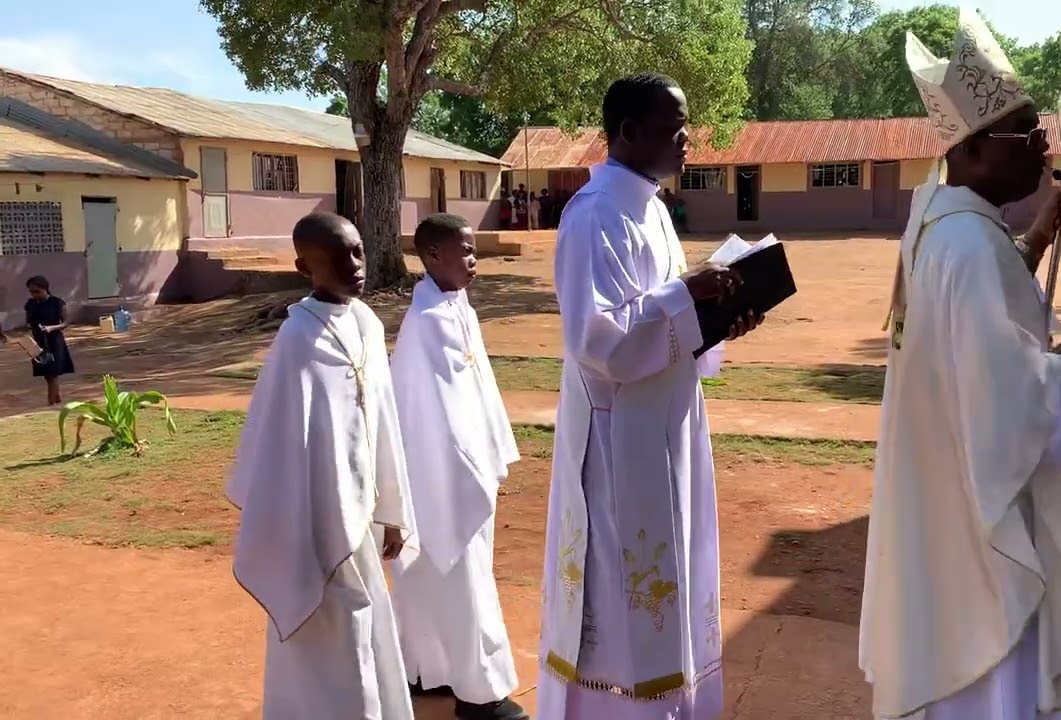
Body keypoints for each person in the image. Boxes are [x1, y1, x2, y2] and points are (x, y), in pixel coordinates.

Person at [861, 10, 1061, 720]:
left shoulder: (940, 221)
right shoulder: (968, 246)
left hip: (941, 484)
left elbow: (973, 323)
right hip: (980, 508)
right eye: (1026, 135)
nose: (1041, 149)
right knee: (989, 660)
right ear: (967, 149)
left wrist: (1034, 235)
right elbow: (1004, 398)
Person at [535, 73, 762, 720]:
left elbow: (664, 320)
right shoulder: (593, 213)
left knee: (674, 566)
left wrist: (719, 317)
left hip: (669, 420)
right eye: (674, 127)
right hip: (617, 442)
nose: (688, 139)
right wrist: (686, 295)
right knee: (620, 585)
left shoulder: (654, 207)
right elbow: (595, 338)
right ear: (630, 132)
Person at [226, 212, 419, 720]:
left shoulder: (368, 324)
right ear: (303, 267)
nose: (355, 265)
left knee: (365, 617)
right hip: (310, 518)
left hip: (360, 515)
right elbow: (279, 447)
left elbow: (384, 423)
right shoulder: (297, 341)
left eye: (358, 251)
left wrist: (393, 509)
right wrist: (303, 521)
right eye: (337, 256)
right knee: (331, 624)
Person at [388, 213, 528, 720]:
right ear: (432, 256)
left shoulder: (457, 307)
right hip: (439, 473)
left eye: (474, 251)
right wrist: (465, 472)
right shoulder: (424, 324)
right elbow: (427, 411)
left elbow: (478, 391)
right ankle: (479, 694)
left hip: (466, 468)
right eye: (464, 251)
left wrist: (493, 454)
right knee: (462, 580)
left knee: (432, 577)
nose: (474, 260)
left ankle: (421, 671)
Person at [24, 275, 75, 405]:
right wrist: (28, 327)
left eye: (37, 291)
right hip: (38, 342)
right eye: (31, 292)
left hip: (54, 341)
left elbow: (66, 322)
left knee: (52, 372)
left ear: (45, 289)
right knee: (46, 373)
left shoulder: (57, 302)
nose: (34, 294)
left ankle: (50, 403)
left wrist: (51, 328)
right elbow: (28, 322)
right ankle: (56, 398)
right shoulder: (30, 304)